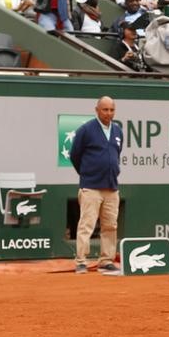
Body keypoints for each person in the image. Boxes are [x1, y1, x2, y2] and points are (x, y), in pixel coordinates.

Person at [70, 96, 123, 275]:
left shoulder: (118, 131)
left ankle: (106, 260)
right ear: (97, 110)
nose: (109, 113)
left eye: (111, 110)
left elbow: (116, 154)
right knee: (86, 225)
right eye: (105, 110)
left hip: (111, 187)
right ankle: (81, 262)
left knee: (110, 226)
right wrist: (87, 174)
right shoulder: (86, 130)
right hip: (91, 186)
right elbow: (75, 155)